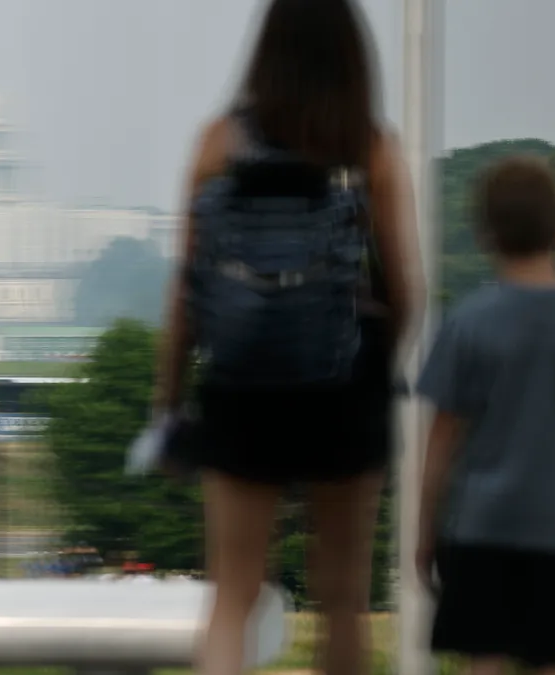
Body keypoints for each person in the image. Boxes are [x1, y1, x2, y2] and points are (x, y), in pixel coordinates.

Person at [156, 1, 422, 673]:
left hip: (242, 380)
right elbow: (405, 287)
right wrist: (378, 364)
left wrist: (169, 400)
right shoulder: (370, 145)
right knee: (340, 600)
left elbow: (186, 292)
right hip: (345, 382)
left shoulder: (219, 142)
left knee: (233, 595)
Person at [417, 157, 555, 675]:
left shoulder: (468, 322)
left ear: (485, 232)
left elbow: (442, 438)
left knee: (484, 660)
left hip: (482, 525)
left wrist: (425, 529)